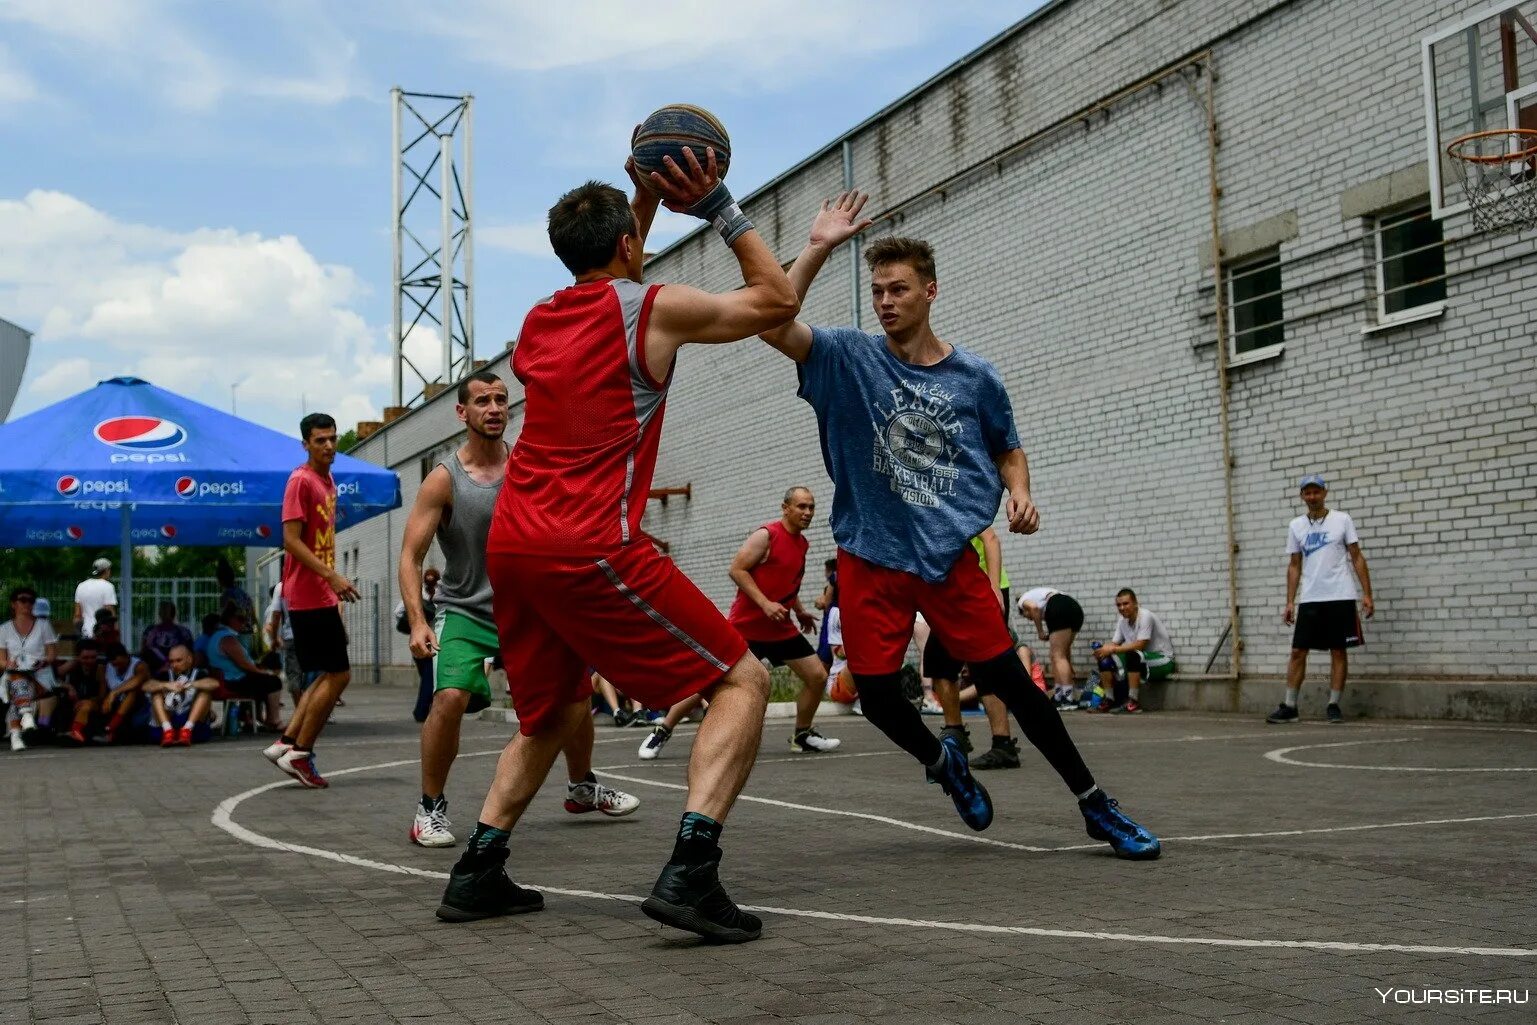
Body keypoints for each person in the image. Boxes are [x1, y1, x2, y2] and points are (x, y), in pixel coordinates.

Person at [435, 146, 797, 943]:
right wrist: (719, 207)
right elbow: (773, 301)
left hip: (515, 549)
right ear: (630, 248)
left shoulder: (536, 324)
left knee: (554, 711)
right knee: (738, 676)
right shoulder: (656, 307)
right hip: (586, 542)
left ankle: (478, 870)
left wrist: (638, 202)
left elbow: (612, 279)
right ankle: (691, 870)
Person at [757, 191, 1160, 859]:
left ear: (930, 291)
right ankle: (943, 762)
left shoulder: (975, 376)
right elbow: (773, 325)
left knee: (1011, 683)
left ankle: (1095, 805)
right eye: (877, 290)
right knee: (879, 696)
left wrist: (1020, 493)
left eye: (898, 289)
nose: (885, 301)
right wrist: (819, 246)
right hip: (871, 555)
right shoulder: (847, 357)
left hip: (947, 556)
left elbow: (1008, 447)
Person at [399, 371, 640, 849]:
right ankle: (429, 809)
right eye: (482, 401)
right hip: (466, 610)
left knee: (575, 693)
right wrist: (419, 621)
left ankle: (581, 786)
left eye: (501, 399)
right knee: (448, 699)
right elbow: (411, 556)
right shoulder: (443, 481)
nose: (493, 408)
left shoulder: (529, 465)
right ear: (461, 413)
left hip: (534, 609)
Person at [641, 487, 840, 761]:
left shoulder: (802, 544)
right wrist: (764, 604)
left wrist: (801, 611)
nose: (807, 513)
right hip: (747, 628)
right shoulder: (766, 536)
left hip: (780, 628)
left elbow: (786, 584)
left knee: (817, 676)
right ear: (785, 508)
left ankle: (802, 735)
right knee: (711, 680)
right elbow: (736, 569)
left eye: (811, 507)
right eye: (801, 506)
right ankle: (663, 728)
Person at [261, 412, 359, 787]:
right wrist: (331, 576)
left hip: (319, 592)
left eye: (333, 438)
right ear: (306, 444)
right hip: (307, 593)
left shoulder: (328, 480)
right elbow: (290, 540)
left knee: (326, 673)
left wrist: (330, 583)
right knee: (339, 674)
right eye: (321, 440)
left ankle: (287, 742)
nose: (329, 446)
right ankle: (300, 752)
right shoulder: (300, 481)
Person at [1267, 475, 1376, 725]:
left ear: (1325, 493)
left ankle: (1333, 704)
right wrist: (1289, 601)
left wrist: (1367, 594)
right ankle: (1290, 706)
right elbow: (1294, 565)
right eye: (1308, 493)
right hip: (1311, 599)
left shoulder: (1342, 520)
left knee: (1338, 651)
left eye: (1316, 492)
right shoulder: (1296, 526)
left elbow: (1357, 557)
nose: (1312, 497)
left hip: (1340, 595)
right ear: (1302, 496)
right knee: (1297, 651)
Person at [925, 528, 1013, 759]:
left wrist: (994, 588)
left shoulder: (958, 503)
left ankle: (1003, 744)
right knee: (937, 662)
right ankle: (956, 733)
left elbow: (991, 539)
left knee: (987, 667)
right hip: (956, 594)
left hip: (985, 590)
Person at [1091, 589, 1177, 715]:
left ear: (1136, 603)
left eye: (1126, 604)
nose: (1122, 608)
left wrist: (1112, 649)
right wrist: (1103, 650)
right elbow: (1114, 644)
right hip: (1140, 659)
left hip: (1163, 660)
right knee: (1105, 659)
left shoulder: (1145, 616)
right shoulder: (1122, 621)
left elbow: (1140, 645)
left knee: (1133, 654)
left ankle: (1133, 702)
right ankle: (1108, 700)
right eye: (1119, 605)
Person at [206, 605, 284, 730]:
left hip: (227, 678)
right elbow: (243, 663)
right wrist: (263, 672)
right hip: (233, 680)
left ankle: (256, 717)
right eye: (240, 619)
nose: (244, 623)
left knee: (262, 680)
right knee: (273, 681)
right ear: (231, 619)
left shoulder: (218, 635)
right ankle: (273, 720)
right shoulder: (227, 638)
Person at [1016, 587, 1086, 710]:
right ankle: (1059, 695)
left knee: (1057, 656)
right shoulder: (1042, 594)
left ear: (1023, 611)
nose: (1031, 618)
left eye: (1028, 617)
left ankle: (1067, 698)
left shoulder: (1022, 601)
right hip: (1075, 608)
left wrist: (1040, 632)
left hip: (1058, 607)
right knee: (1059, 655)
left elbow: (1034, 608)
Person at [143, 644, 218, 746]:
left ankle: (187, 730)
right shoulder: (165, 675)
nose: (174, 665)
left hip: (192, 727)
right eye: (171, 661)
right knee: (156, 692)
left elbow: (214, 684)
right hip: (167, 724)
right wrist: (166, 685)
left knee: (205, 693)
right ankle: (168, 731)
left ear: (189, 659)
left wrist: (189, 685)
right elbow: (146, 686)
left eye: (178, 660)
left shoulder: (199, 674)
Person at [403, 568, 441, 723]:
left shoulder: (429, 594)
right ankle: (421, 711)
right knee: (428, 678)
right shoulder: (424, 595)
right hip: (427, 641)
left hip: (427, 642)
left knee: (428, 677)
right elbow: (399, 611)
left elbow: (399, 611)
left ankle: (424, 709)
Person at [99, 643, 149, 743]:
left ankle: (111, 727)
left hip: (139, 705)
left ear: (127, 656)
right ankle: (109, 730)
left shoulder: (139, 665)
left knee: (132, 691)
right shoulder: (106, 668)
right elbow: (102, 690)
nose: (117, 667)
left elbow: (137, 681)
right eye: (114, 665)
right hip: (117, 705)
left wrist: (114, 692)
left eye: (120, 664)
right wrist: (104, 700)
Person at [55, 640, 103, 744]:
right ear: (78, 657)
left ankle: (75, 731)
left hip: (93, 704)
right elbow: (52, 679)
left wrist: (88, 701)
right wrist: (68, 687)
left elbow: (101, 695)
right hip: (74, 703)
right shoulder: (74, 666)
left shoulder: (100, 668)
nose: (90, 661)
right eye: (85, 658)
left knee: (86, 706)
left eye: (93, 657)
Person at [140, 601, 194, 677]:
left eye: (166, 612)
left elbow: (190, 655)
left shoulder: (150, 631)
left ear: (159, 614)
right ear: (174, 613)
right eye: (164, 612)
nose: (165, 615)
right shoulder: (184, 631)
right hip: (159, 672)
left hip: (174, 672)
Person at [73, 558, 117, 639]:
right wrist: (115, 630)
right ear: (106, 570)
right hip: (102, 633)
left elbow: (77, 615)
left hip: (85, 631)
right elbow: (109, 611)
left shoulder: (81, 586)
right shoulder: (108, 586)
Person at [5, 656, 42, 751]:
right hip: (11, 676)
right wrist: (9, 664)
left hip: (37, 676)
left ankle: (15, 735)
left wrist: (35, 663)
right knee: (17, 682)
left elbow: (51, 656)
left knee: (16, 698)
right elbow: (2, 661)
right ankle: (26, 714)